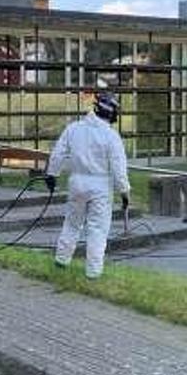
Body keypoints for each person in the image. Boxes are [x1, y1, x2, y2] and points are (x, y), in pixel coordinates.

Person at [45, 92, 131, 279]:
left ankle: (61, 260)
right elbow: (118, 168)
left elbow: (58, 153)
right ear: (111, 113)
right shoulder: (111, 136)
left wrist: (52, 174)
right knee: (97, 229)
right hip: (100, 185)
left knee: (72, 223)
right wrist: (124, 192)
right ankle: (93, 272)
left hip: (77, 182)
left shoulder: (74, 128)